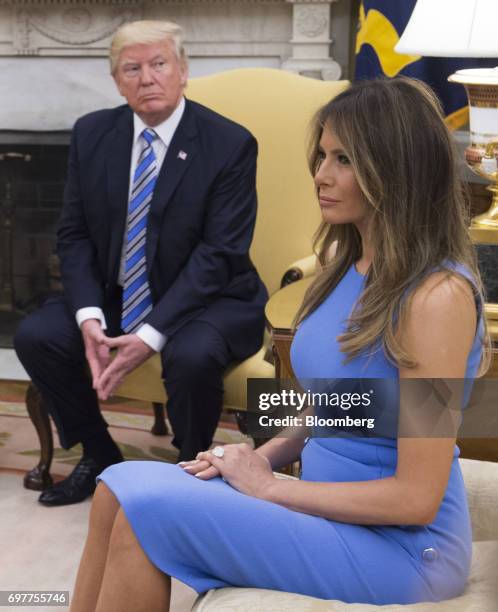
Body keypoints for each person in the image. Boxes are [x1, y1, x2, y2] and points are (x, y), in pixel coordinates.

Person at [69, 77, 490, 611]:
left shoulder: (436, 298)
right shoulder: (347, 269)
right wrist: (258, 456)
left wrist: (269, 488)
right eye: (321, 156)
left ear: (397, 168)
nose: (320, 175)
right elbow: (344, 404)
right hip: (332, 518)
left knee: (145, 511)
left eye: (344, 160)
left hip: (404, 553)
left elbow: (416, 497)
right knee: (115, 485)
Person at [14, 19, 267, 506]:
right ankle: (101, 453)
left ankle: (190, 471)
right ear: (116, 81)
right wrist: (88, 315)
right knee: (40, 335)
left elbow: (219, 254)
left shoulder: (229, 143)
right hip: (119, 293)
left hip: (210, 299)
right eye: (132, 68)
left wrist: (150, 335)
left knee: (189, 355)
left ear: (183, 71)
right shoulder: (93, 133)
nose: (146, 78)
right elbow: (75, 234)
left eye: (158, 64)